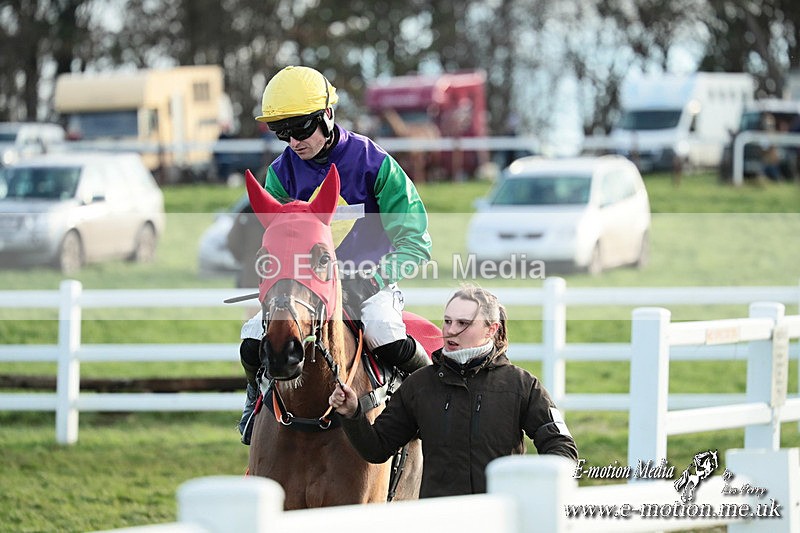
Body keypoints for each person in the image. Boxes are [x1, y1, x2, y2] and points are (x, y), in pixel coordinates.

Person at [235, 66, 433, 444]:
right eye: (282, 132)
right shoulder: (280, 174)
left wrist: (371, 277)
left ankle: (429, 400)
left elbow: (416, 243)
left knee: (384, 332)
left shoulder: (375, 165)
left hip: (368, 286)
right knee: (250, 338)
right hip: (305, 289)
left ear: (327, 116)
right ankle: (254, 400)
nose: (293, 140)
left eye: (301, 127)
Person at [328, 285, 579, 497]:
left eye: (463, 323)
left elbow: (561, 446)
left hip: (502, 519)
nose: (450, 330)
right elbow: (376, 449)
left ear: (491, 329)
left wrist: (539, 490)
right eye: (448, 321)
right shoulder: (419, 385)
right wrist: (353, 414)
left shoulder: (522, 385)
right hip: (440, 522)